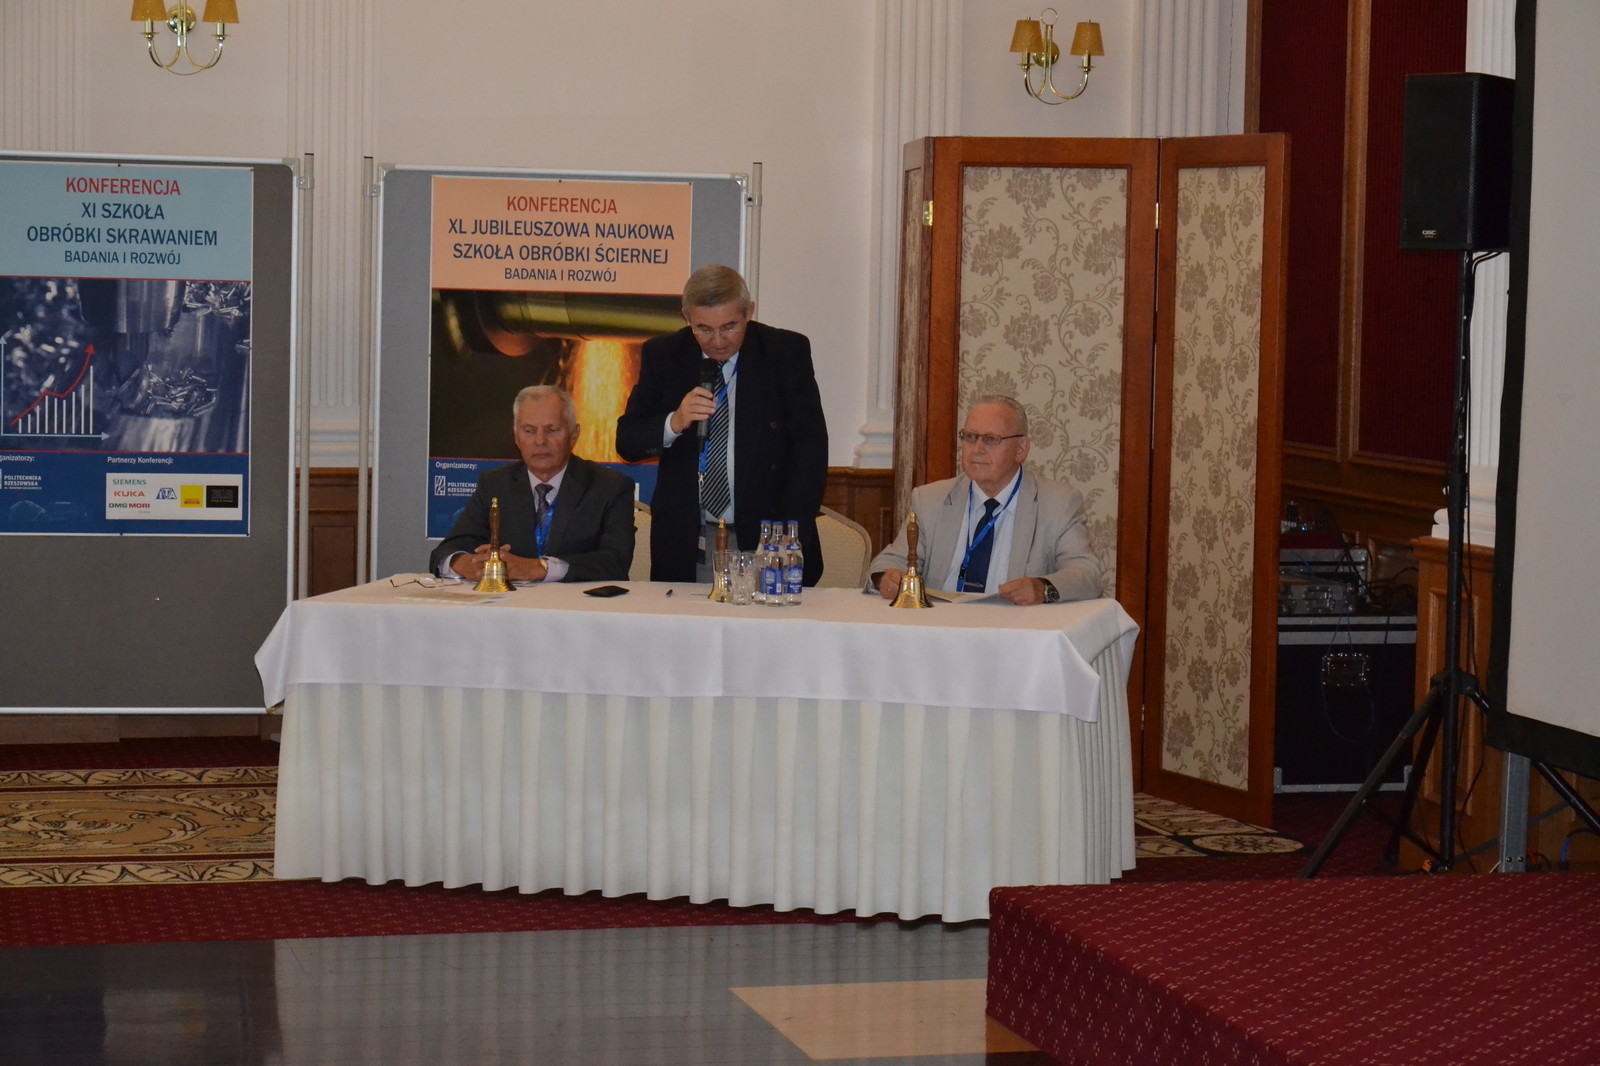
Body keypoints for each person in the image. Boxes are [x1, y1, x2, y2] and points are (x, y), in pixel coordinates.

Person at [616, 264, 828, 584]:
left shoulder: (784, 352)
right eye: (703, 329)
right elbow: (627, 441)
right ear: (686, 317)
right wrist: (675, 421)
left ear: (748, 312)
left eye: (729, 327)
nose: (717, 341)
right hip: (690, 540)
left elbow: (810, 449)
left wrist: (788, 534)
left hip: (768, 536)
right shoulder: (664, 355)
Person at [869, 396, 1101, 605]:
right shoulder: (930, 500)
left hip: (1015, 628)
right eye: (970, 437)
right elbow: (888, 563)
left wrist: (1043, 588)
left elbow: (1087, 574)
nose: (977, 449)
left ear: (1021, 449)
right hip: (941, 625)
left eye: (991, 439)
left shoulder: (1058, 503)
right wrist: (887, 578)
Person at [430, 384, 635, 583]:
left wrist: (537, 568)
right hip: (511, 604)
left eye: (552, 430)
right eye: (529, 430)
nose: (540, 441)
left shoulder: (610, 487)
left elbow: (615, 563)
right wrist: (466, 564)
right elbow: (446, 551)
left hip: (580, 604)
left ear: (574, 434)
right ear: (516, 436)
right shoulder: (494, 484)